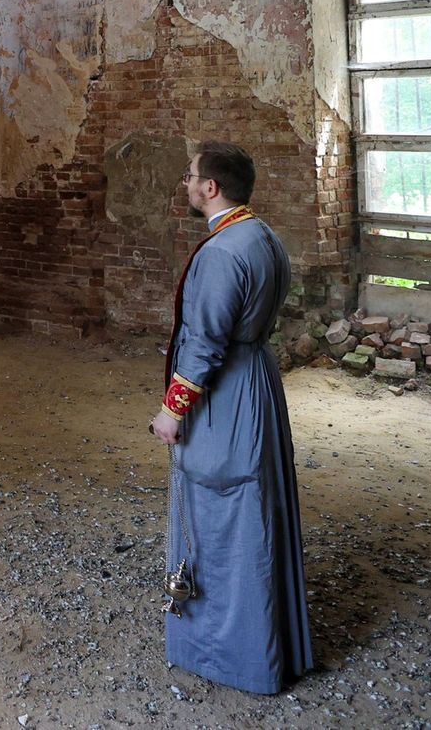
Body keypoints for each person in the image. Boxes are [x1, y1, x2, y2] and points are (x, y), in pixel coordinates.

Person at [147, 140, 313, 694]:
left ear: (211, 187)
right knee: (256, 504)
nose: (187, 184)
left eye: (190, 176)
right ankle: (269, 646)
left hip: (227, 393)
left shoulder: (222, 251)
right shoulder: (262, 235)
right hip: (257, 381)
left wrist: (172, 410)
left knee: (221, 509)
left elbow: (205, 342)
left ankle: (227, 653)